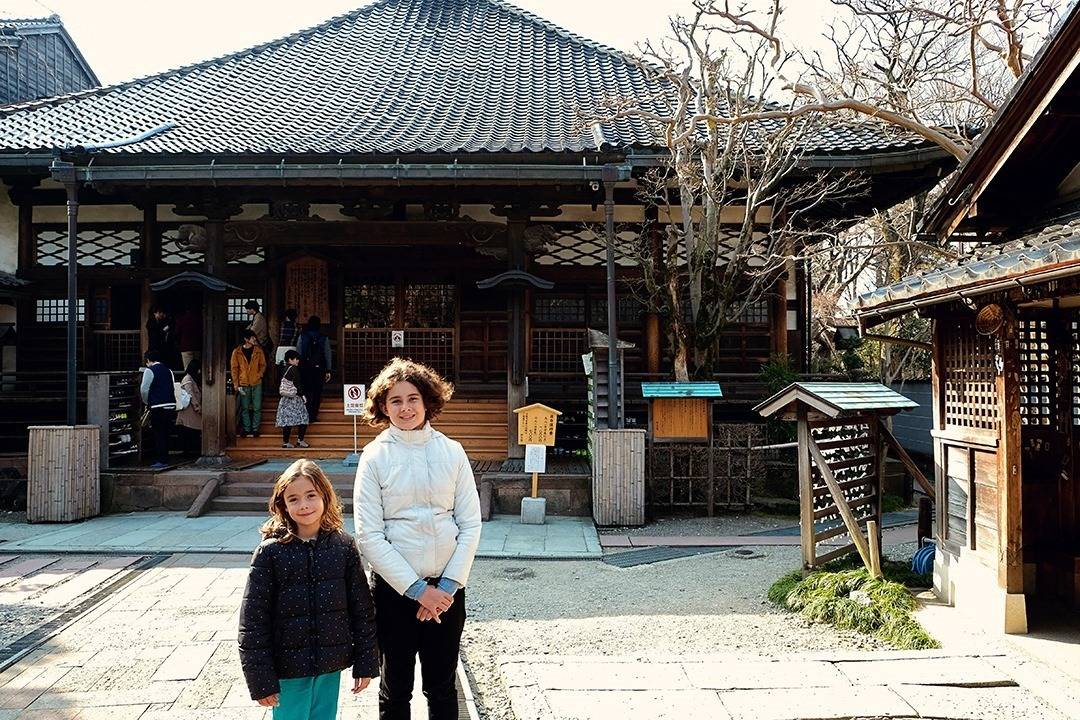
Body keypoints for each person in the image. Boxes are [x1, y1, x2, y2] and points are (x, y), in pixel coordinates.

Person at [353, 358, 482, 720]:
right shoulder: (375, 456)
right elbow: (369, 534)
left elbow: (470, 523)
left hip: (446, 592)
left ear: (428, 401)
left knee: (442, 687)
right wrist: (416, 590)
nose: (405, 408)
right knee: (396, 689)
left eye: (413, 398)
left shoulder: (452, 451)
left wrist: (445, 588)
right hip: (395, 593)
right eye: (395, 400)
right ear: (383, 406)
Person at [239, 459, 378, 720]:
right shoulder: (271, 553)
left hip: (330, 663)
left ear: (325, 496)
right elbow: (253, 621)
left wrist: (365, 662)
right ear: (283, 505)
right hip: (288, 666)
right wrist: (260, 679)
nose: (303, 505)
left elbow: (362, 610)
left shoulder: (343, 547)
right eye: (293, 499)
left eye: (311, 495)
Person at [140, 349, 176, 470]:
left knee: (158, 433)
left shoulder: (149, 371)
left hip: (157, 406)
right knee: (166, 432)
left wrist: (146, 401)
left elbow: (144, 389)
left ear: (148, 360)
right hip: (170, 405)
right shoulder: (169, 371)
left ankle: (161, 459)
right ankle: (165, 457)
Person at [231, 330, 267, 438]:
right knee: (244, 407)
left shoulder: (259, 351)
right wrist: (236, 384)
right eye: (252, 337)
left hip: (256, 382)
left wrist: (259, 375)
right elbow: (234, 369)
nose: (254, 339)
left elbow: (263, 365)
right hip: (243, 383)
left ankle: (255, 429)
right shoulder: (237, 352)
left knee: (257, 407)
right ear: (246, 339)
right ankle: (246, 429)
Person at [297, 316, 331, 423]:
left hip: (304, 368)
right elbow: (327, 354)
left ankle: (305, 414)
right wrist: (328, 370)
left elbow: (298, 351)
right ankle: (313, 415)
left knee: (306, 391)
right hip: (319, 369)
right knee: (317, 393)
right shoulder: (323, 337)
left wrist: (298, 366)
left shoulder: (302, 336)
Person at [277, 350, 310, 449]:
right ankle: (300, 440)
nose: (298, 360)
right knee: (303, 418)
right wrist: (303, 395)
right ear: (290, 359)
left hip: (285, 399)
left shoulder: (284, 368)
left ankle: (286, 442)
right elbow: (297, 383)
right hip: (294, 398)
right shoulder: (294, 369)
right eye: (296, 359)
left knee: (287, 421)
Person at [176, 358, 202, 456]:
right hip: (189, 410)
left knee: (190, 430)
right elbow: (190, 393)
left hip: (189, 410)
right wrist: (197, 406)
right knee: (189, 430)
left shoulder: (190, 378)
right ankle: (188, 451)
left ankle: (188, 450)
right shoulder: (188, 379)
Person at [146, 305, 180, 370]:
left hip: (160, 347)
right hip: (154, 347)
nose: (161, 314)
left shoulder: (159, 322)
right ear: (155, 313)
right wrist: (165, 329)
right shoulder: (152, 323)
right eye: (159, 312)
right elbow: (158, 334)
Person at [176, 304, 203, 370]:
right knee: (197, 368)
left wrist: (178, 344)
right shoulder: (199, 319)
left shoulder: (181, 319)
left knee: (188, 368)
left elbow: (177, 333)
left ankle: (188, 380)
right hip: (197, 346)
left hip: (185, 347)